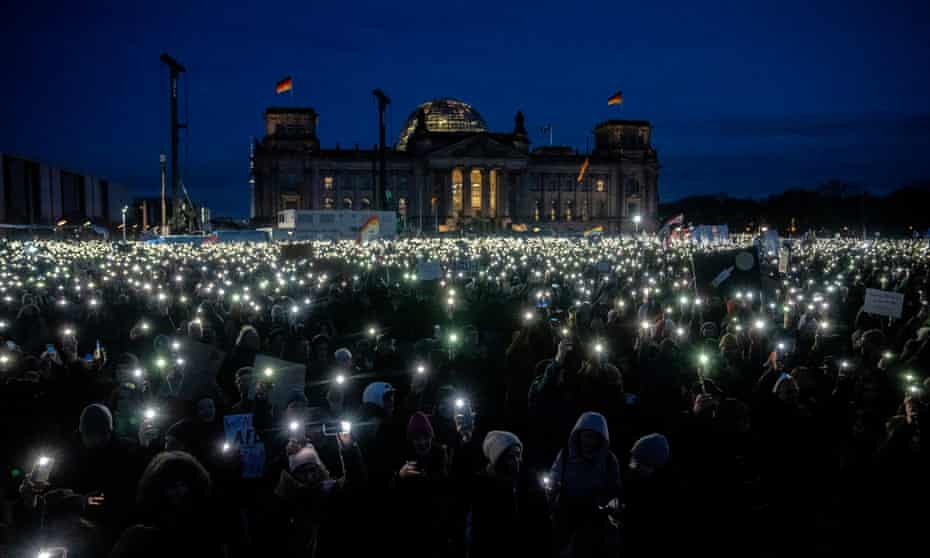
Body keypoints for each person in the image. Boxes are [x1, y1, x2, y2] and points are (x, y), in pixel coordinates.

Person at [109, 451, 224, 558]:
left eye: (183, 483)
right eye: (171, 485)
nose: (179, 491)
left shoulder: (207, 535)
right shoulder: (137, 539)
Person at [548, 411, 622, 558]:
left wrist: (604, 502)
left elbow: (615, 490)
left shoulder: (608, 460)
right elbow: (554, 476)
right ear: (578, 435)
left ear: (600, 439)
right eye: (585, 435)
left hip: (594, 518)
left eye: (593, 437)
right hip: (565, 513)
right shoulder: (565, 454)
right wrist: (552, 489)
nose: (588, 441)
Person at [469, 431, 550, 558]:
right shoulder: (483, 485)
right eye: (510, 457)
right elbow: (480, 528)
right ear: (498, 459)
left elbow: (542, 519)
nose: (516, 461)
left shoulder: (528, 480)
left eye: (518, 455)